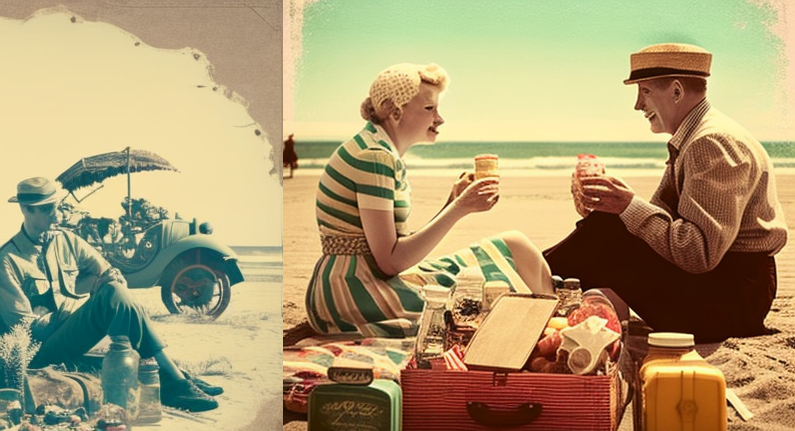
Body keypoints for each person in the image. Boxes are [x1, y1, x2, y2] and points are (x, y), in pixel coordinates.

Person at [544, 43, 787, 342]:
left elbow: (698, 254)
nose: (637, 104)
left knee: (609, 229)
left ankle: (530, 284)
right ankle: (537, 281)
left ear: (676, 91)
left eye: (645, 91)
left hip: (731, 298)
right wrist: (610, 206)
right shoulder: (696, 136)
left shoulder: (711, 142)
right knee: (610, 226)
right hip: (730, 287)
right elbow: (658, 222)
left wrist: (627, 207)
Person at [305, 62, 552, 338]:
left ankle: (553, 323)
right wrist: (460, 209)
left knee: (513, 244)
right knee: (477, 305)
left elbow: (392, 252)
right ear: (395, 112)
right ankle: (554, 329)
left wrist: (452, 202)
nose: (439, 118)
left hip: (361, 280)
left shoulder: (377, 148)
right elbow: (390, 261)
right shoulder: (375, 157)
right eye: (429, 108)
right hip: (355, 293)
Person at [0, 177, 222, 413]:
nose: (57, 215)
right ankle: (175, 380)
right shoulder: (8, 259)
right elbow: (24, 329)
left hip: (76, 334)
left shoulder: (68, 241)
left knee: (115, 289)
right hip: (44, 349)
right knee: (112, 294)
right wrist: (77, 308)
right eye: (47, 209)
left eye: (57, 206)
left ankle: (174, 377)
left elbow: (110, 272)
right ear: (25, 210)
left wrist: (107, 280)